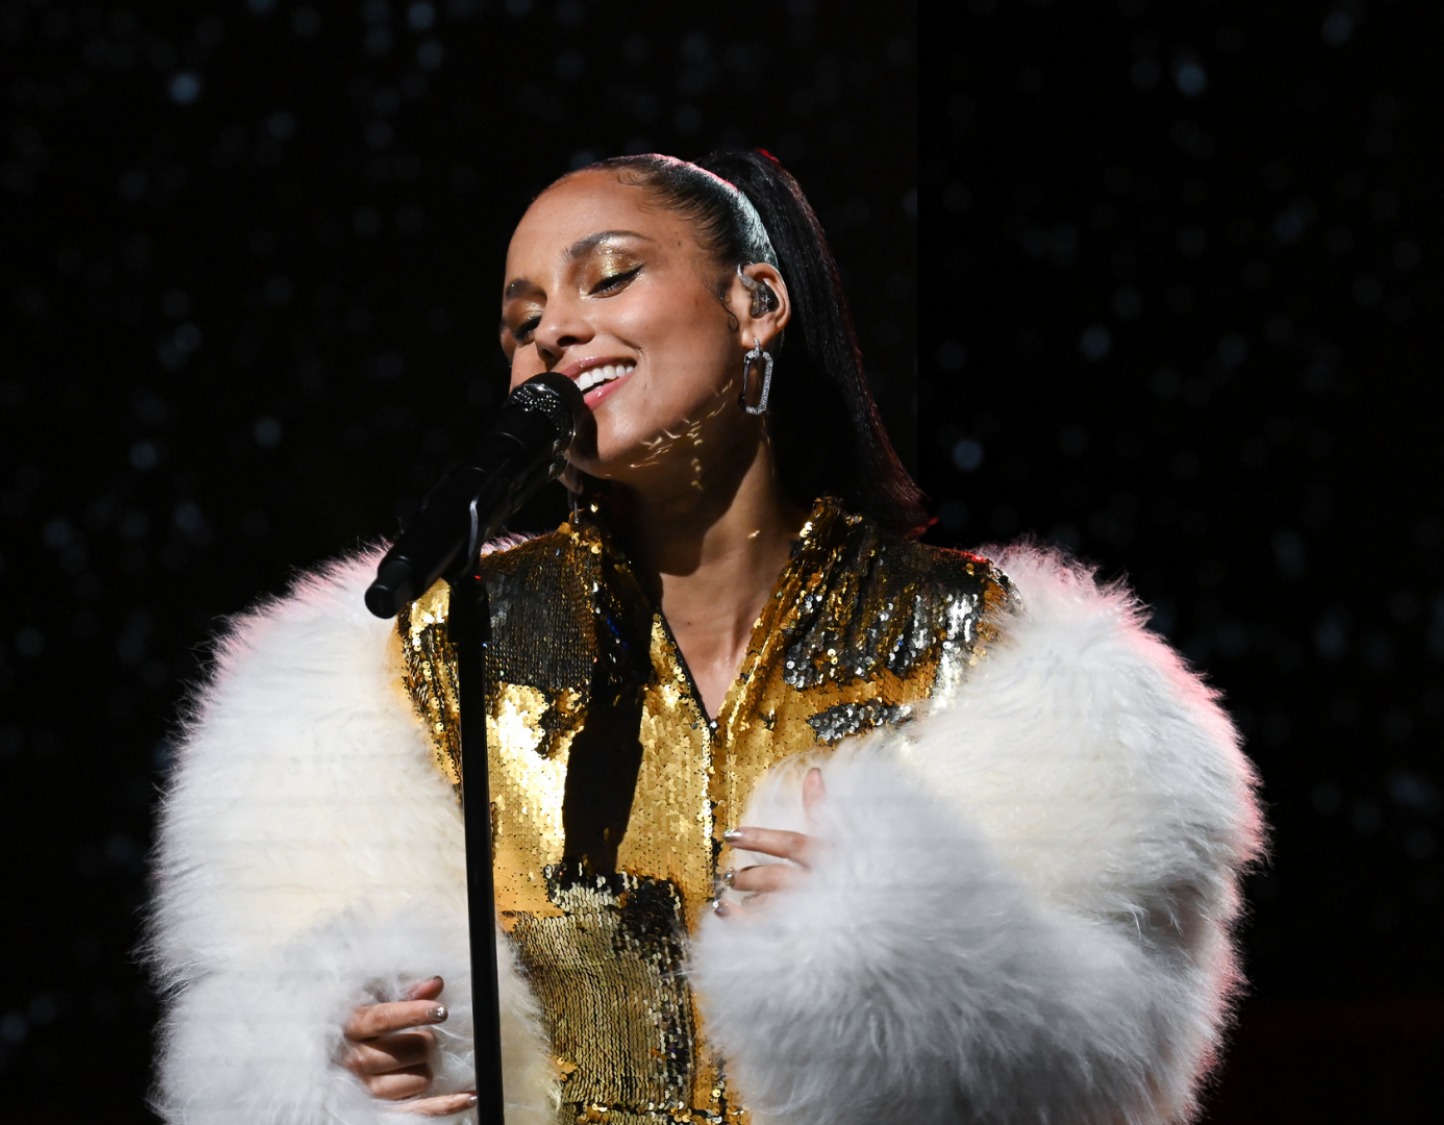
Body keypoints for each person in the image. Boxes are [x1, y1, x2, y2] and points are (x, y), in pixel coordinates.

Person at [146, 150, 1265, 1125]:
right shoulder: (423, 661)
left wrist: (917, 963)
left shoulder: (987, 652)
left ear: (757, 301)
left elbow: (1110, 1064)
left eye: (609, 275)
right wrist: (341, 1065)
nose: (555, 330)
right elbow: (268, 1001)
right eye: (520, 317)